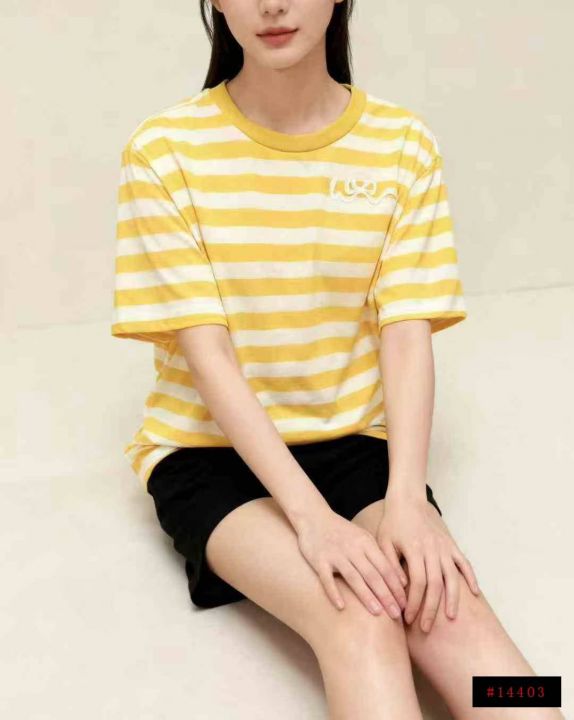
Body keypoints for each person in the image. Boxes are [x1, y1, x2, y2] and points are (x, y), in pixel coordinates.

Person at [111, 1, 564, 718]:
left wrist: (407, 500)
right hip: (211, 452)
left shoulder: (402, 145)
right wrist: (313, 520)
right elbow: (208, 357)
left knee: (458, 614)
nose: (272, 5)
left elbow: (406, 333)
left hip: (356, 447)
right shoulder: (164, 150)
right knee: (361, 613)